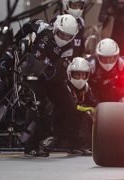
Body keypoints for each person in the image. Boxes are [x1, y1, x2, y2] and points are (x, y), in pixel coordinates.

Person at [19, 14, 80, 156]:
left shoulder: (69, 48)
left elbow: (59, 71)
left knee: (70, 104)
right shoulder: (43, 28)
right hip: (32, 75)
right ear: (55, 29)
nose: (64, 39)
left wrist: (46, 69)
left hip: (52, 78)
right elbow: (29, 24)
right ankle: (31, 145)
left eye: (68, 36)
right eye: (61, 34)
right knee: (37, 105)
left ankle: (73, 143)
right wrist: (17, 39)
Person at [67, 57, 97, 155]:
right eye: (77, 74)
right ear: (70, 74)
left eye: (83, 75)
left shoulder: (86, 87)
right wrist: (87, 109)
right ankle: (81, 146)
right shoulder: (65, 86)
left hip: (77, 115)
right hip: (63, 118)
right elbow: (71, 105)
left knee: (94, 116)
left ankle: (95, 144)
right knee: (85, 115)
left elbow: (93, 102)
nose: (80, 78)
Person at [88, 38, 124, 102]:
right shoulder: (91, 64)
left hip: (113, 96)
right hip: (94, 95)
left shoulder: (121, 63)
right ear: (98, 56)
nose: (108, 61)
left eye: (110, 57)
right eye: (104, 58)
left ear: (116, 56)